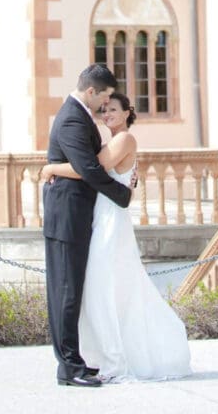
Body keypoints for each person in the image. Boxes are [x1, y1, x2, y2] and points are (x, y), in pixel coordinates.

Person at [42, 90, 192, 382]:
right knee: (107, 289)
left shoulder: (123, 139)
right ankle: (107, 354)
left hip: (110, 223)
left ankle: (114, 359)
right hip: (102, 218)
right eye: (105, 110)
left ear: (127, 113)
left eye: (113, 109)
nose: (107, 114)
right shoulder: (112, 141)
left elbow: (90, 169)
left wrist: (51, 167)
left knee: (102, 290)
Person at [43, 64, 132, 388]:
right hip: (67, 216)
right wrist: (123, 194)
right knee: (66, 292)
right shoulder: (71, 118)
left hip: (78, 214)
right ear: (91, 91)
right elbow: (90, 169)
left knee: (72, 290)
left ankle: (76, 361)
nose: (105, 104)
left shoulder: (79, 116)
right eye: (104, 97)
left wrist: (52, 166)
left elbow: (92, 164)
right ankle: (68, 367)